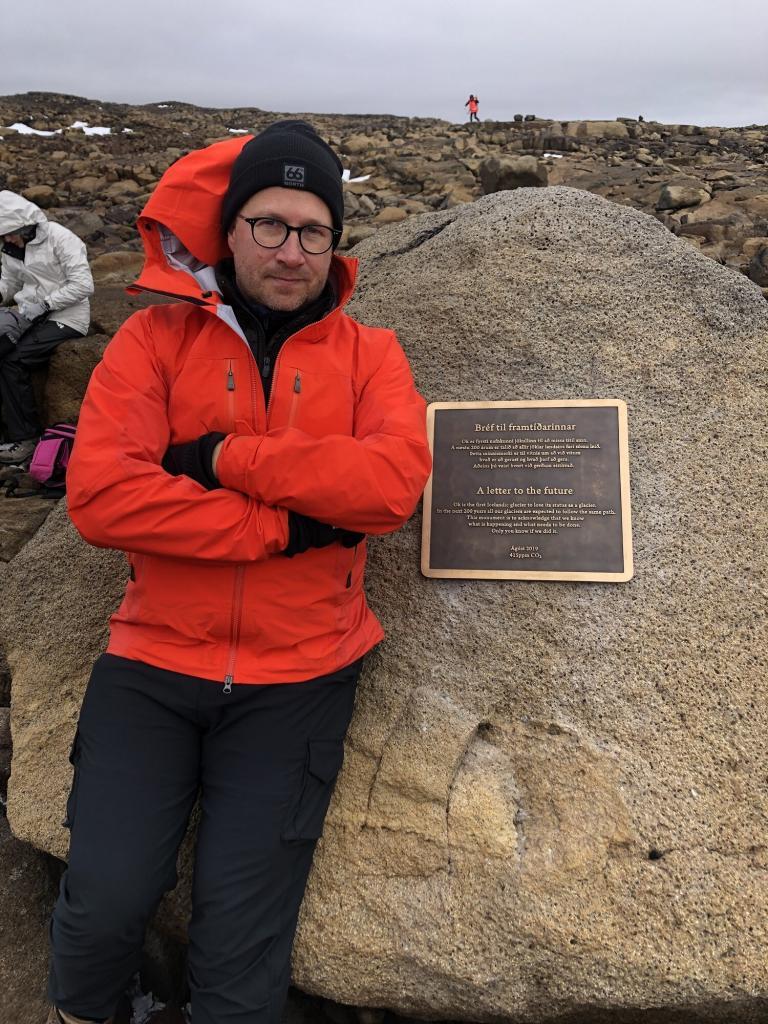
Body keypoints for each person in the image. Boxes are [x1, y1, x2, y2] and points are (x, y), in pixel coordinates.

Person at [47, 120, 432, 1024]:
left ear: (335, 243)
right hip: (150, 668)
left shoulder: (372, 354)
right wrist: (281, 529)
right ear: (230, 228)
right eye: (268, 224)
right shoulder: (153, 343)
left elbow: (388, 487)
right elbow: (103, 498)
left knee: (239, 950)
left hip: (299, 678)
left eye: (313, 230)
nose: (290, 250)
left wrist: (220, 458)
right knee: (103, 904)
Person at [0, 191, 93, 463]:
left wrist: (46, 303)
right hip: (30, 316)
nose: (7, 240)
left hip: (67, 319)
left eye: (10, 234)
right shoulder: (13, 246)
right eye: (4, 235)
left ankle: (25, 439)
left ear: (25, 225)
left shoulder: (60, 238)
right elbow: (10, 283)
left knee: (13, 361)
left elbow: (84, 285)